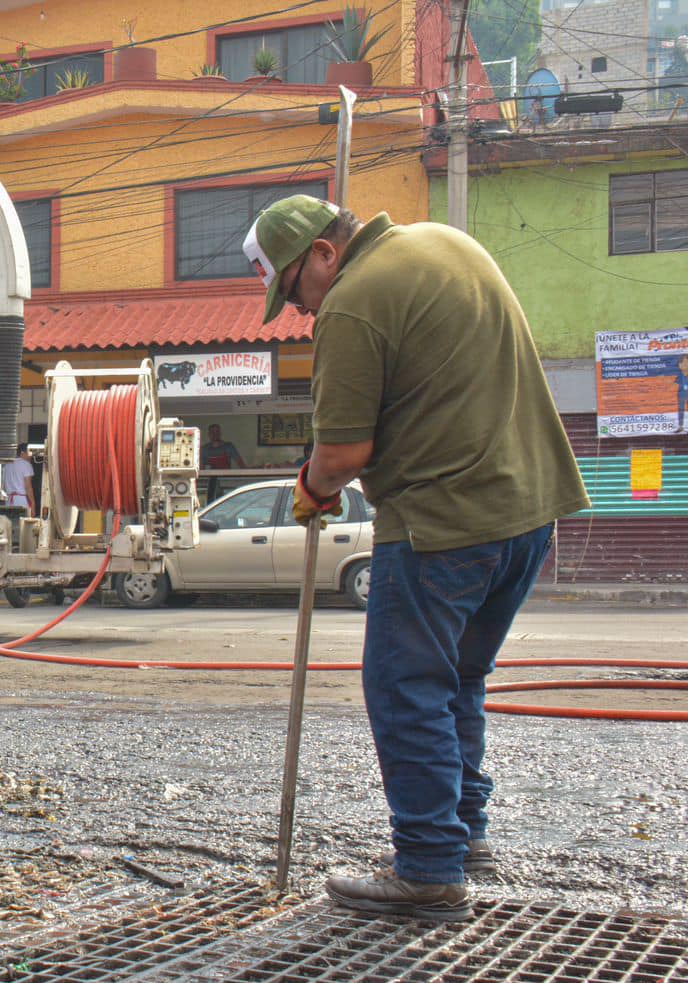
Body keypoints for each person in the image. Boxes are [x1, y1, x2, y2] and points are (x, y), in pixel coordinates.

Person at [243, 194, 589, 921]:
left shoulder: (354, 302)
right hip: (528, 513)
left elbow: (342, 453)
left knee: (405, 688)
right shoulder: (446, 244)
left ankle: (430, 866)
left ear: (325, 255)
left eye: (294, 290)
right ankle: (466, 839)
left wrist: (311, 490)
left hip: (443, 524)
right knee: (456, 680)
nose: (302, 311)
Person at [200, 423, 246, 501]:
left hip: (226, 480)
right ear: (209, 435)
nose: (215, 434)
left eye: (217, 432)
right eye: (213, 432)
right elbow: (201, 469)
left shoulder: (228, 446)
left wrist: (246, 475)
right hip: (211, 482)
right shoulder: (204, 449)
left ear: (220, 433)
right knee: (211, 502)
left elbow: (240, 463)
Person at [2, 441, 36, 515]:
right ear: (22, 453)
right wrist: (33, 503)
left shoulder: (7, 465)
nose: (31, 455)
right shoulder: (26, 465)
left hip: (9, 501)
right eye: (29, 452)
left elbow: (3, 485)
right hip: (21, 501)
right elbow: (28, 487)